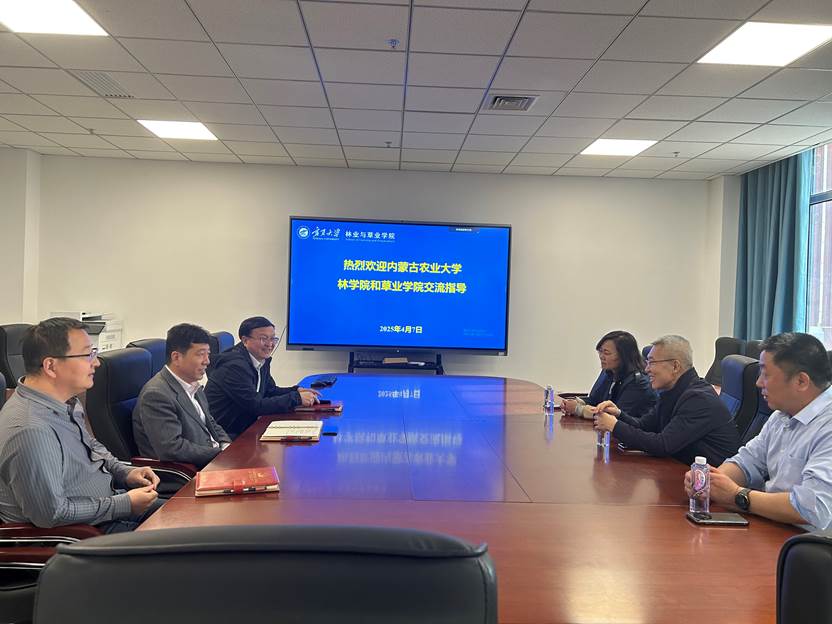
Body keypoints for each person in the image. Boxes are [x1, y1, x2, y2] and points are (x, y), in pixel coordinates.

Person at [0, 318, 160, 533]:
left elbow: (91, 446)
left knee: (188, 517)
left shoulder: (66, 401)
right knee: (189, 544)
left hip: (107, 508)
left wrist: (124, 472)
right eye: (87, 355)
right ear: (51, 366)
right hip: (81, 535)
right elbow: (51, 513)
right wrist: (124, 504)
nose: (96, 363)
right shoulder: (30, 429)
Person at [685, 332, 832, 530]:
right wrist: (710, 482)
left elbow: (812, 507)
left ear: (801, 381)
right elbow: (748, 462)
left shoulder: (827, 425)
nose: (758, 383)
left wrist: (738, 495)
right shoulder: (781, 415)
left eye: (766, 374)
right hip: (774, 527)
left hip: (810, 543)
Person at [593, 334, 740, 465]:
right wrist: (618, 414)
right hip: (681, 469)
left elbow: (663, 445)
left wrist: (615, 426)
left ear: (675, 366)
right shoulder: (672, 391)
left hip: (707, 481)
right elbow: (644, 425)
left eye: (651, 362)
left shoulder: (699, 399)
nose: (646, 369)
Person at [133, 323, 231, 469]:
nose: (207, 361)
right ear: (176, 357)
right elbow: (172, 448)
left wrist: (227, 445)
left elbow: (210, 423)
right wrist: (219, 454)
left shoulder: (193, 384)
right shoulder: (156, 394)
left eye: (208, 354)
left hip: (212, 462)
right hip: (189, 472)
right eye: (200, 354)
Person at [205, 317, 320, 438]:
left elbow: (269, 391)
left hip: (245, 426)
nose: (270, 344)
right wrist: (296, 398)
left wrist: (296, 391)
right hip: (226, 434)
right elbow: (255, 406)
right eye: (263, 338)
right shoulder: (234, 366)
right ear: (245, 340)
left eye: (273, 338)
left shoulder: (260, 359)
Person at [561, 330, 657, 420]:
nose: (601, 357)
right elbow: (595, 400)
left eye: (606, 353)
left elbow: (614, 417)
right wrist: (576, 402)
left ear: (623, 356)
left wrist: (578, 409)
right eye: (600, 351)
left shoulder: (639, 383)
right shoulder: (609, 372)